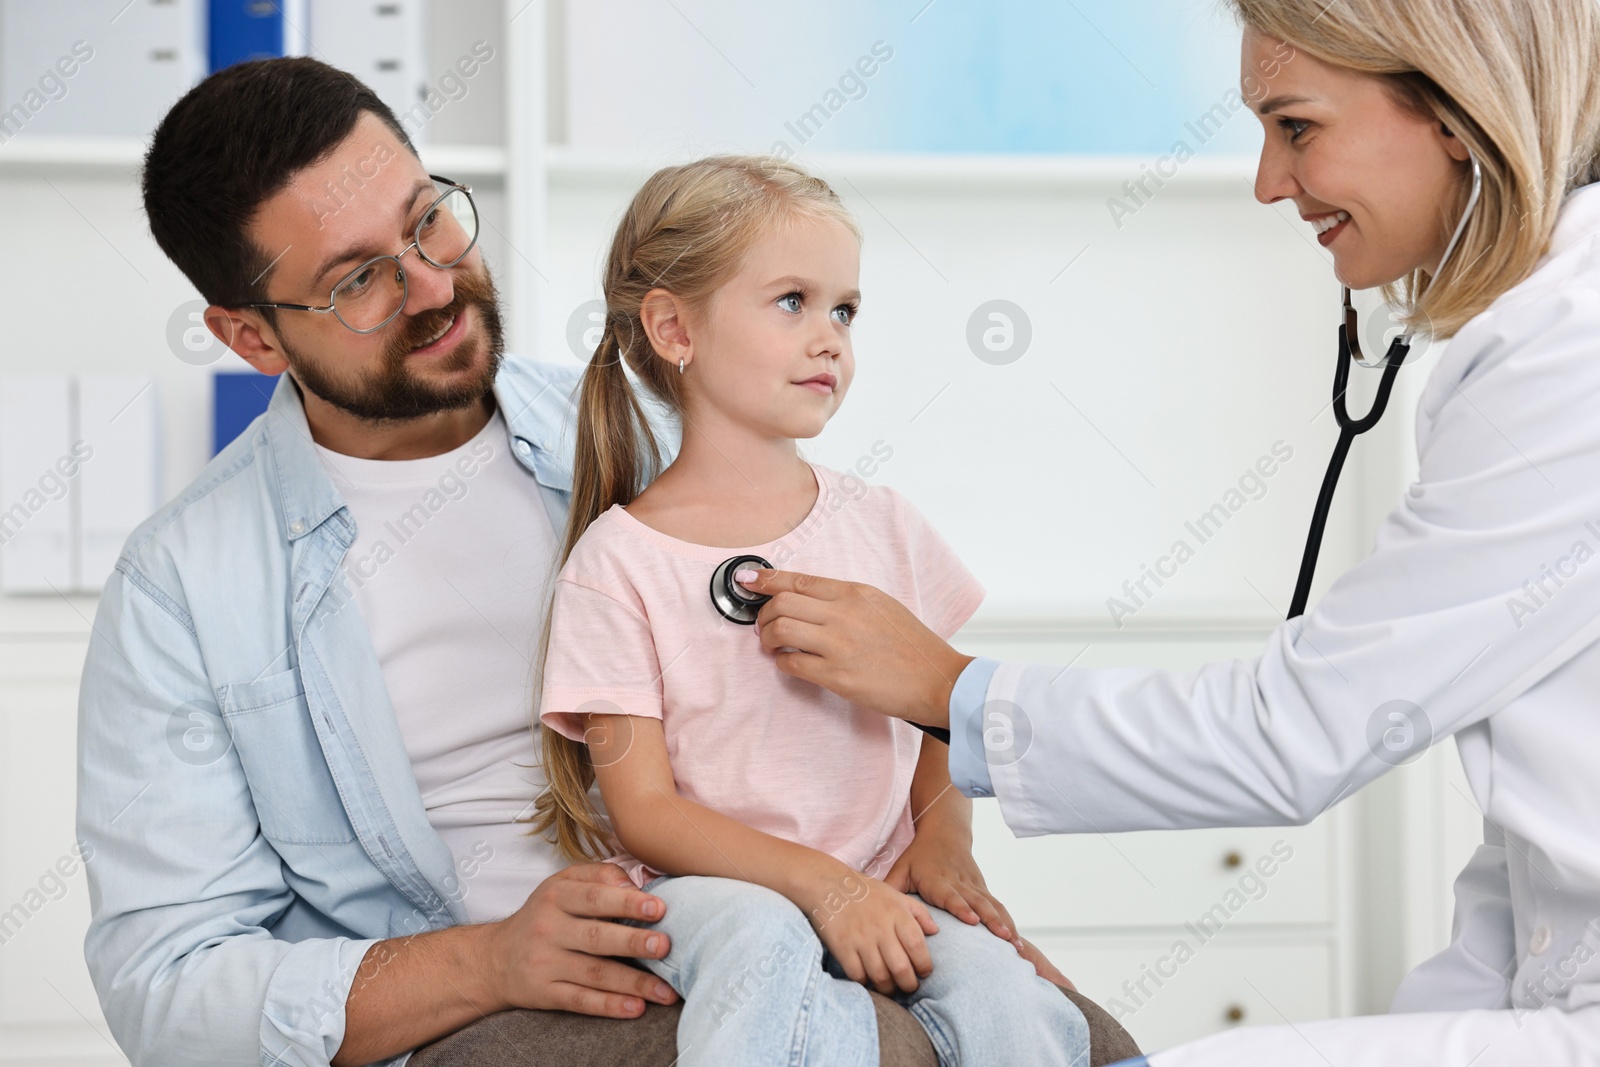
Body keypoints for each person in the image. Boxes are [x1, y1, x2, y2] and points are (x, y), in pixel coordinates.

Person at [74, 57, 1138, 1067]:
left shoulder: (651, 429)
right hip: (521, 1000)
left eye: (429, 222)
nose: (433, 286)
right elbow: (165, 985)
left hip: (784, 905)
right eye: (359, 280)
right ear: (252, 336)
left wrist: (917, 863)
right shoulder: (184, 588)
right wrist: (486, 960)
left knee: (1071, 1035)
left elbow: (868, 697)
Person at [740, 0, 1600, 1063]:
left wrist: (947, 688)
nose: (1268, 181)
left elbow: (1298, 730)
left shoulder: (1570, 351)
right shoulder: (1542, 333)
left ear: (1455, 113)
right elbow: (1526, 886)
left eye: (1295, 126)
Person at [531, 155, 1094, 1066]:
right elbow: (646, 813)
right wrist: (825, 891)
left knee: (1002, 993)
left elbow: (936, 708)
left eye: (845, 309)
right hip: (711, 890)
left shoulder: (881, 524)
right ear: (675, 327)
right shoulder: (618, 563)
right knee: (763, 940)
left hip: (877, 877)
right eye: (792, 301)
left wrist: (944, 839)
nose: (831, 337)